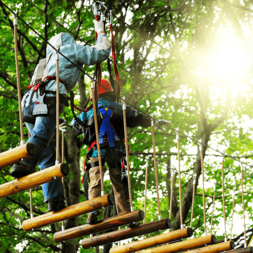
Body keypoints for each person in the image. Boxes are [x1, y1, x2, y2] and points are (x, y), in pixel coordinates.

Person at [11, 19, 111, 212]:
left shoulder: (44, 62)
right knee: (41, 136)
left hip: (29, 102)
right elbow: (102, 51)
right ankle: (25, 161)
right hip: (49, 95)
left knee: (47, 153)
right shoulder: (70, 49)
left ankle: (54, 199)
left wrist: (56, 118)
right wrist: (100, 29)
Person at [71, 79, 170, 224]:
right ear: (110, 94)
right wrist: (154, 121)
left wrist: (62, 126)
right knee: (120, 184)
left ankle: (92, 211)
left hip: (96, 152)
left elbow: (74, 127)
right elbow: (139, 118)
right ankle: (126, 214)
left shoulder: (86, 114)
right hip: (116, 151)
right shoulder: (121, 108)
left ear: (93, 96)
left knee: (95, 181)